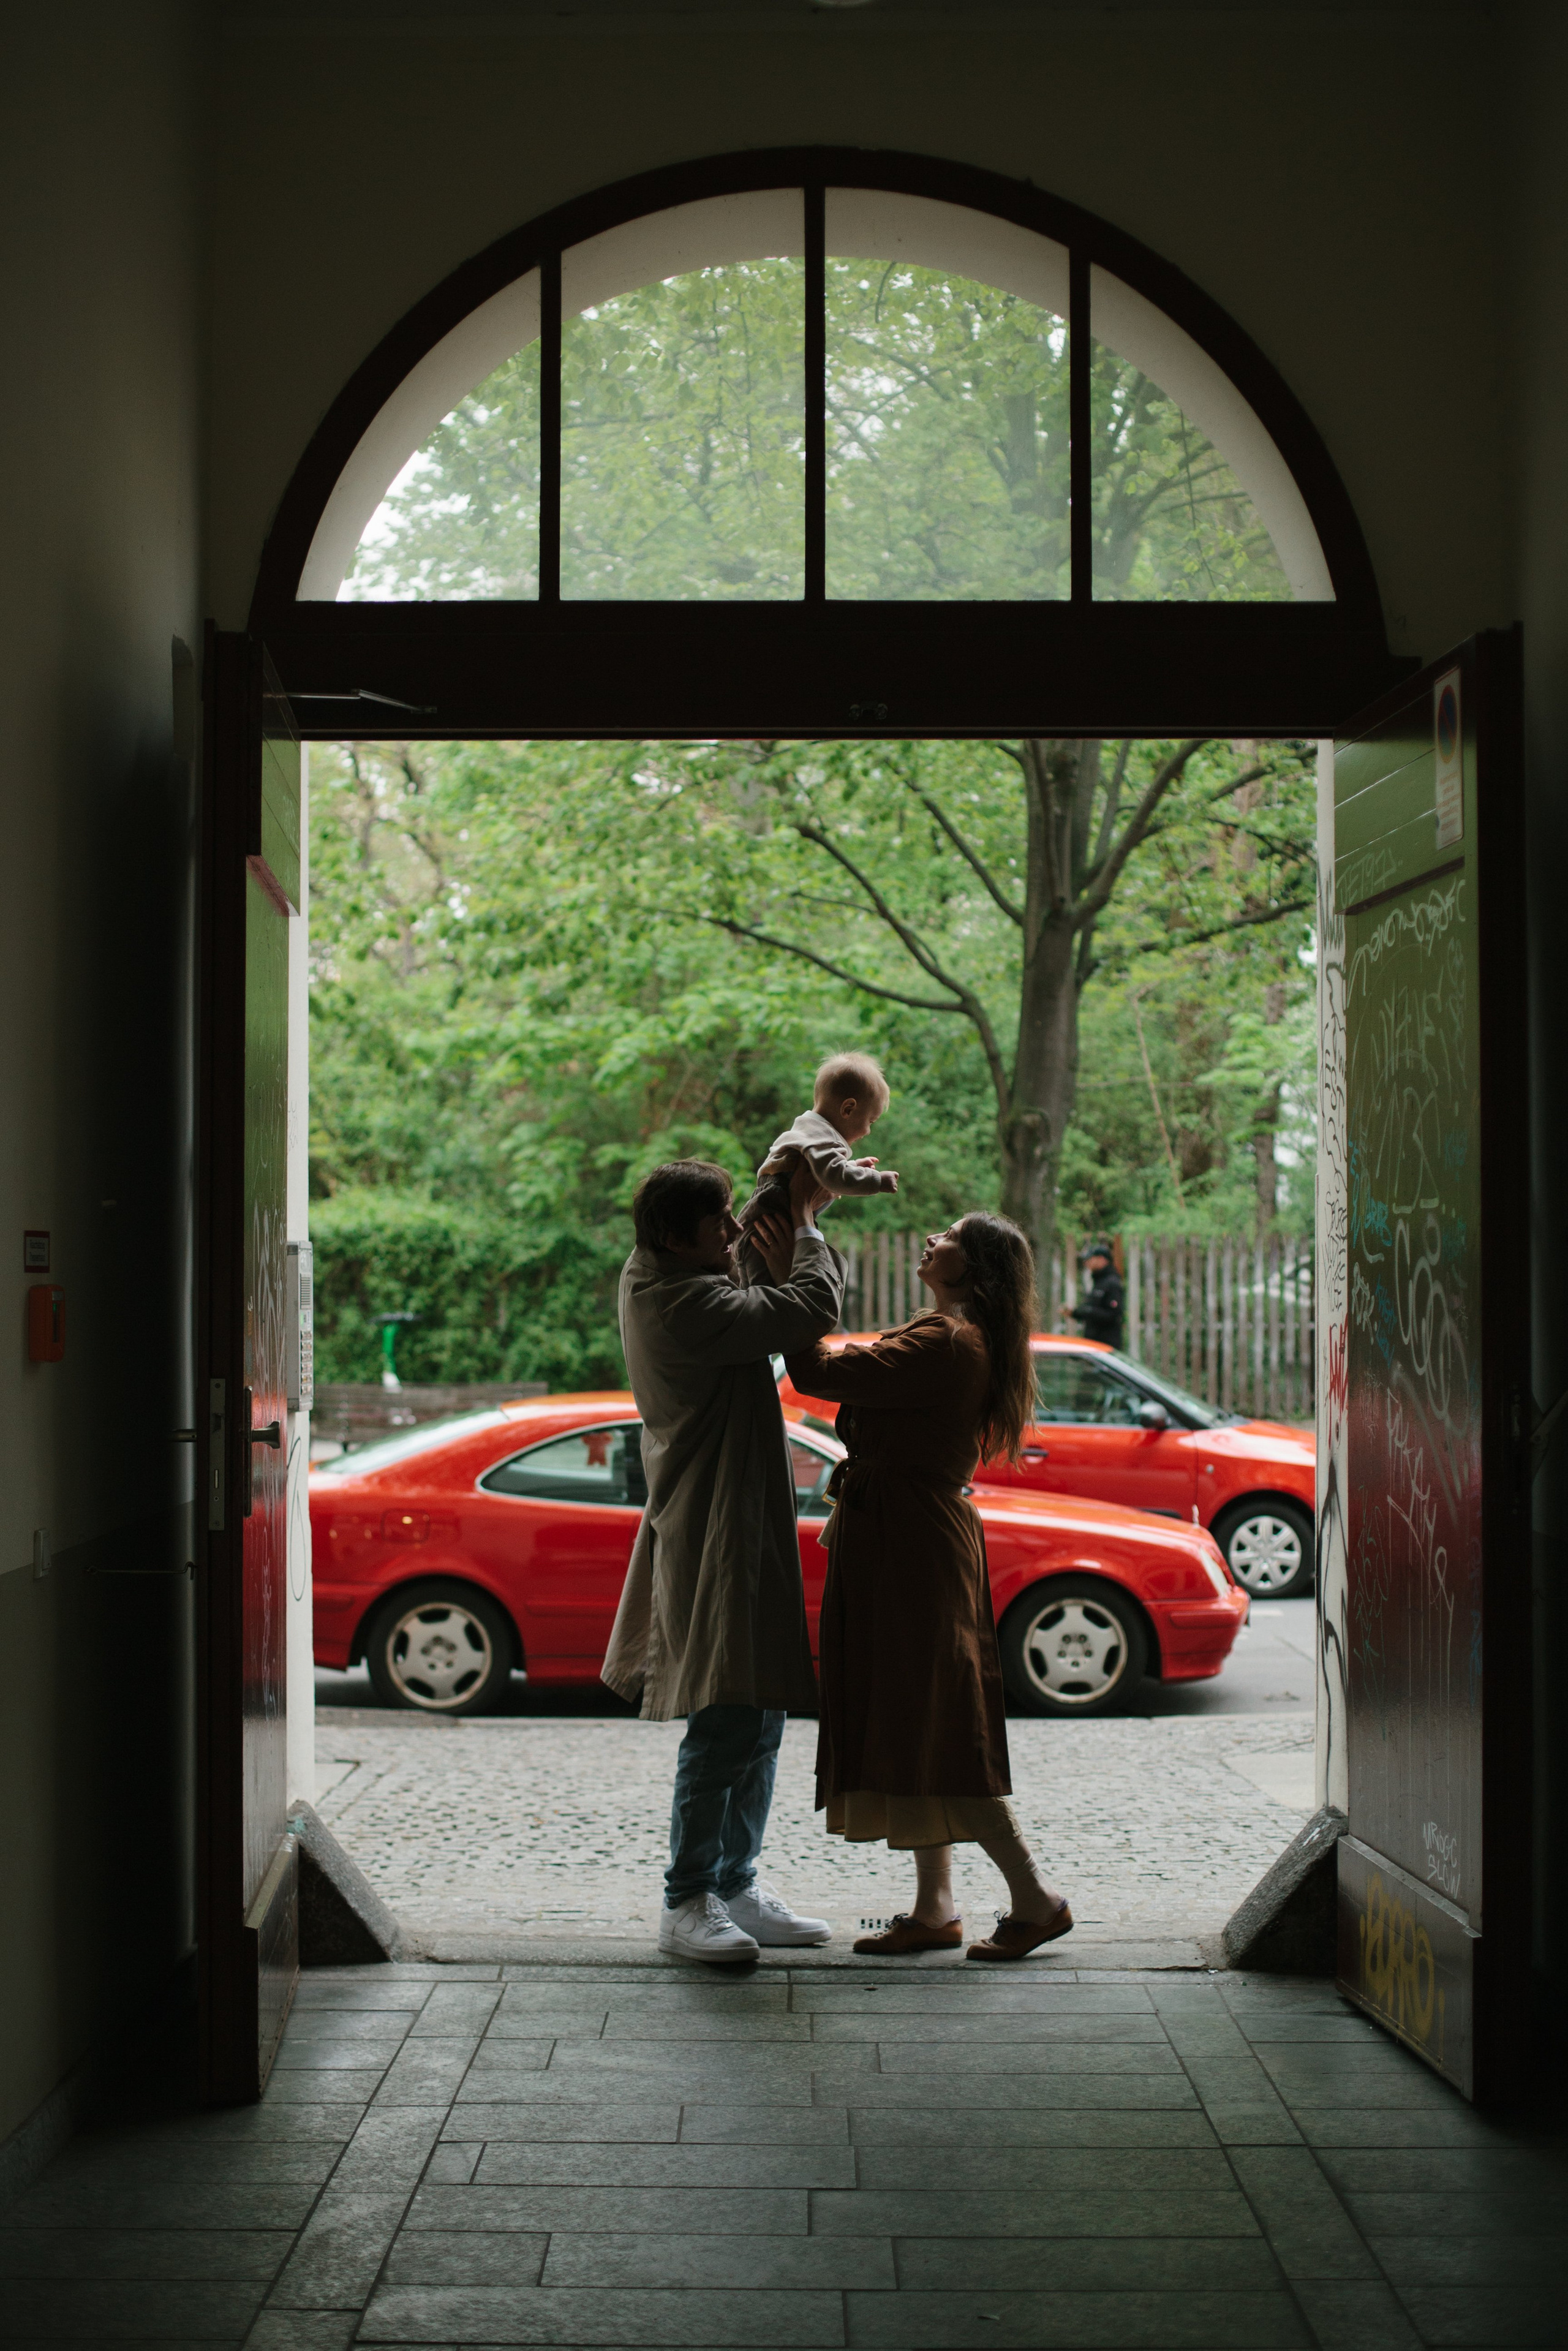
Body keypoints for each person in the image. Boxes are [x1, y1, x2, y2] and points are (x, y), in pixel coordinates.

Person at [784, 1214, 1073, 1962]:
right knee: (923, 1717)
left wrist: (789, 1295)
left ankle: (1035, 1899)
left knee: (940, 1723)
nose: (929, 1239)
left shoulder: (946, 1341)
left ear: (971, 1267)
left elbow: (813, 1373)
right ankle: (935, 1907)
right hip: (904, 1538)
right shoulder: (946, 1333)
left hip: (911, 1544)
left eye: (946, 1236)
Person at [603, 1154, 844, 1963]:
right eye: (721, 1223)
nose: (735, 1232)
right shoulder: (682, 1301)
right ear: (678, 1238)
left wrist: (784, 1184)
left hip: (735, 1514)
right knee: (725, 1712)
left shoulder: (666, 1269)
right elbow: (810, 1306)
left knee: (760, 1702)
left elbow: (745, 1275)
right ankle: (688, 1896)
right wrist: (805, 1229)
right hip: (715, 1523)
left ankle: (734, 1879)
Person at [735, 1051, 898, 1286]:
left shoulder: (810, 1130)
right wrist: (876, 1181)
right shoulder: (823, 1137)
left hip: (764, 1225)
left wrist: (851, 1166)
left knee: (759, 1291)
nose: (868, 1131)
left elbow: (822, 1171)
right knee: (763, 1296)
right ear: (848, 1109)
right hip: (768, 1229)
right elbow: (833, 1177)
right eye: (870, 1121)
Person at [1070, 1238, 1125, 1348]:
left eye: (1090, 1259)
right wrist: (1075, 1313)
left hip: (1106, 1345)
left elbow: (1113, 1314)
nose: (1087, 1263)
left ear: (1101, 1259)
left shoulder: (1112, 1283)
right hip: (1094, 1344)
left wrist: (1088, 1311)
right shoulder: (1099, 1281)